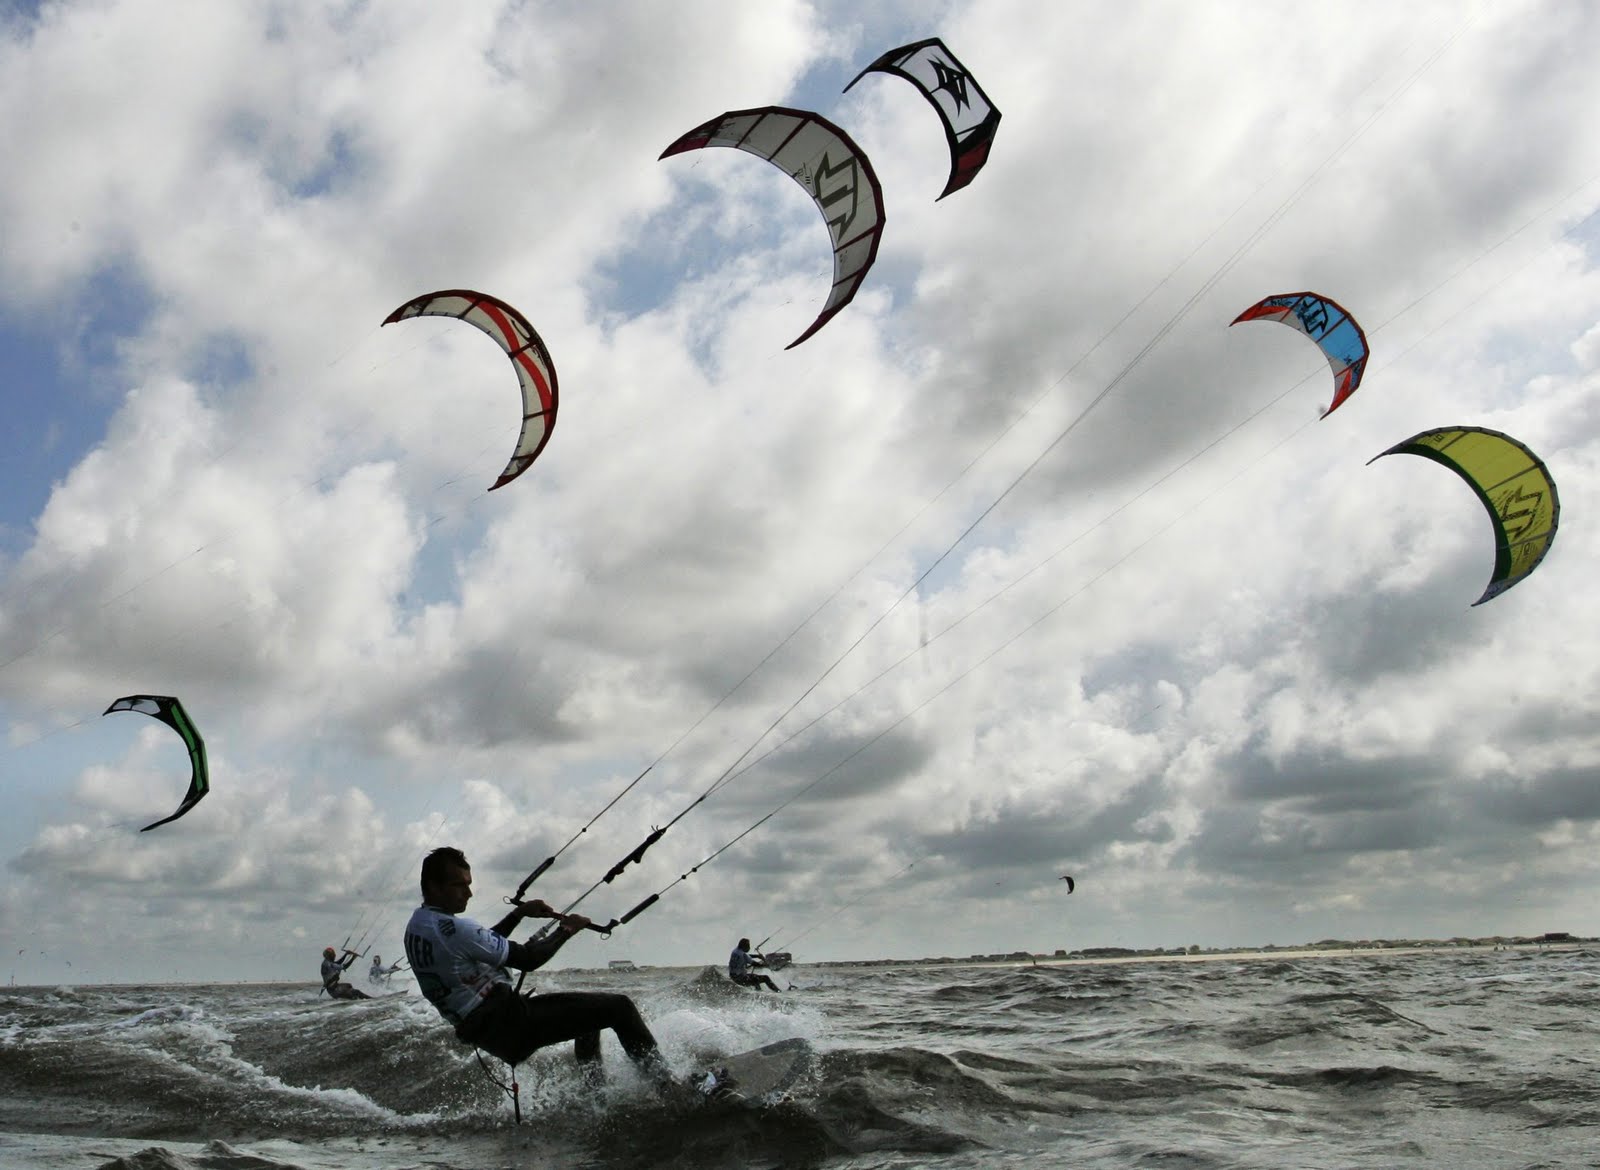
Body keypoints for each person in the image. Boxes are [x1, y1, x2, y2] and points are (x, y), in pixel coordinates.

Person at [403, 846, 673, 1089]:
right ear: (434, 887)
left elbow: (478, 945)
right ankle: (666, 1087)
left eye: (469, 884)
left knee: (589, 1020)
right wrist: (566, 929)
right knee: (620, 1007)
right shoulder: (454, 929)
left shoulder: (421, 926)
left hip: (489, 1031)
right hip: (511, 1024)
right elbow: (528, 959)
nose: (469, 893)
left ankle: (597, 1098)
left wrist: (518, 914)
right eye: (458, 885)